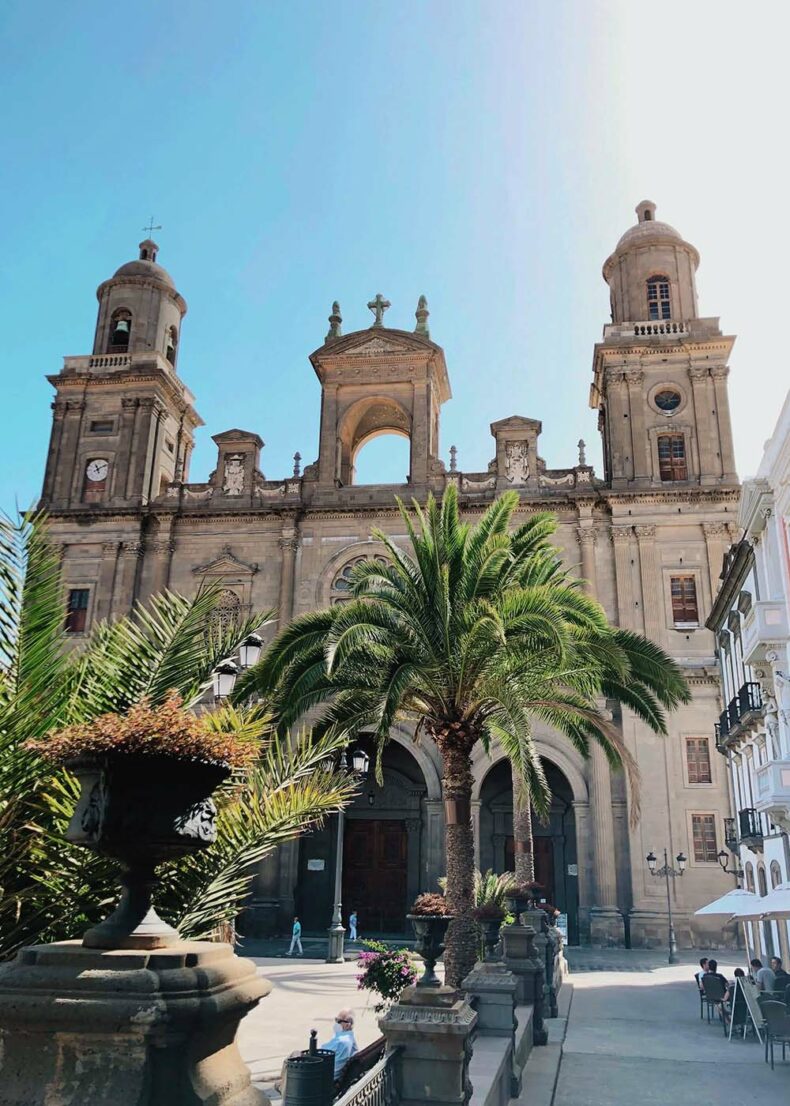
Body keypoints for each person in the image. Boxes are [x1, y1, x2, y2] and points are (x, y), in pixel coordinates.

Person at [320, 1010, 358, 1079]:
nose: (336, 1023)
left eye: (338, 1021)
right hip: (329, 1074)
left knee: (296, 1054)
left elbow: (319, 1053)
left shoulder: (341, 1041)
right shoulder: (350, 1039)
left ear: (347, 1025)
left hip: (325, 1078)